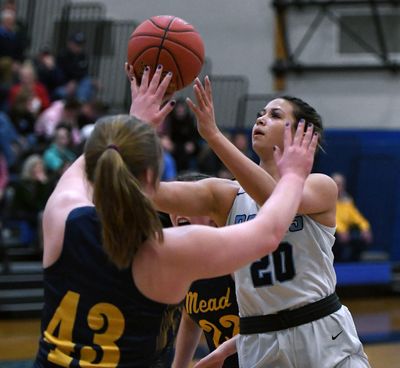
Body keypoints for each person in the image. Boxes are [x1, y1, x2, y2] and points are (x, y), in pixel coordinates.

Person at [33, 65, 317, 367]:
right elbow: (270, 232)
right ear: (154, 177)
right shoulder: (171, 250)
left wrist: (134, 120)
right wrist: (294, 177)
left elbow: (91, 163)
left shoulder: (60, 215)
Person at [132, 71, 370, 367]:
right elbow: (146, 191)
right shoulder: (227, 196)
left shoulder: (320, 186)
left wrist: (214, 136)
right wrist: (137, 128)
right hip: (259, 339)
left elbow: (276, 198)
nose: (261, 119)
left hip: (321, 331)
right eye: (260, 114)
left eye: (274, 115)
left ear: (300, 134)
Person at [170, 173, 239, 368]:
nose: (177, 211)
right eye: (172, 204)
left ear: (213, 215)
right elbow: (190, 318)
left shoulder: (237, 256)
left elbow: (272, 323)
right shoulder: (186, 263)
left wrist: (226, 350)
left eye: (186, 204)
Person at [331, 172, 373, 262]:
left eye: (341, 185)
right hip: (333, 232)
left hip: (345, 232)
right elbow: (332, 218)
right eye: (337, 184)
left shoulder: (347, 201)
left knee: (361, 238)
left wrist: (365, 228)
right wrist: (341, 230)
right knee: (337, 238)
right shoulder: (327, 200)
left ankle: (353, 266)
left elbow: (357, 217)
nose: (339, 187)